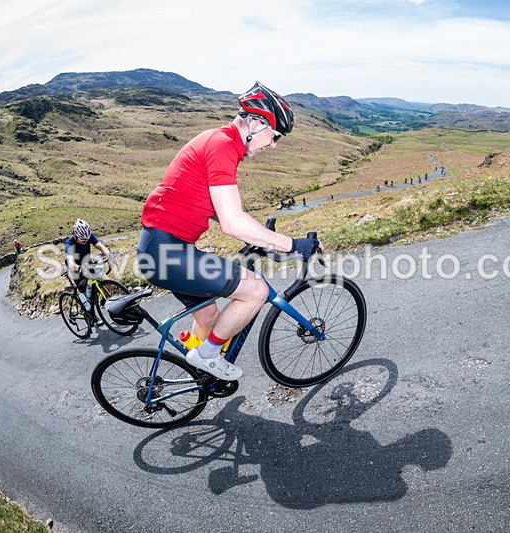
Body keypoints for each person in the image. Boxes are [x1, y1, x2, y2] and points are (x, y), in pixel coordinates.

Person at [137, 81, 320, 381]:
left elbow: (221, 213)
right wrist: (293, 244)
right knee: (256, 290)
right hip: (167, 253)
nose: (273, 145)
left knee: (209, 316)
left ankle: (199, 379)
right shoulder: (221, 146)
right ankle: (207, 357)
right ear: (256, 123)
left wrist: (258, 236)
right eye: (275, 136)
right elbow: (232, 222)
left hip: (162, 249)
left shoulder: (221, 142)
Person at [64, 219, 114, 311]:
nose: (85, 242)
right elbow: (70, 262)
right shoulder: (69, 244)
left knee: (108, 282)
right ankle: (87, 312)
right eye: (83, 240)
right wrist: (79, 268)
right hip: (76, 269)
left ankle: (102, 301)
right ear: (75, 236)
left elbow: (101, 247)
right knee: (87, 304)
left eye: (87, 239)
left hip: (88, 263)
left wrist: (109, 257)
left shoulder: (88, 236)